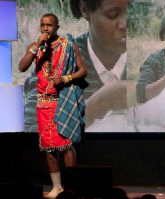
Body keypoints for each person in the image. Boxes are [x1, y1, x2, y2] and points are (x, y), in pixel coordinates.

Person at [19, 13, 87, 198]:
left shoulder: (68, 45)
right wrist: (35, 49)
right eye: (43, 25)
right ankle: (57, 187)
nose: (45, 28)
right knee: (48, 148)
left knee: (66, 145)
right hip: (43, 103)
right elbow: (22, 67)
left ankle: (71, 188)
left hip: (62, 100)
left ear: (57, 27)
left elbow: (83, 70)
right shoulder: (36, 47)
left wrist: (66, 78)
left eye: (49, 25)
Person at [70, 0, 128, 130]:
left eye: (132, 11)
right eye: (113, 13)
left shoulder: (150, 62)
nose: (125, 24)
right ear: (85, 10)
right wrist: (99, 104)